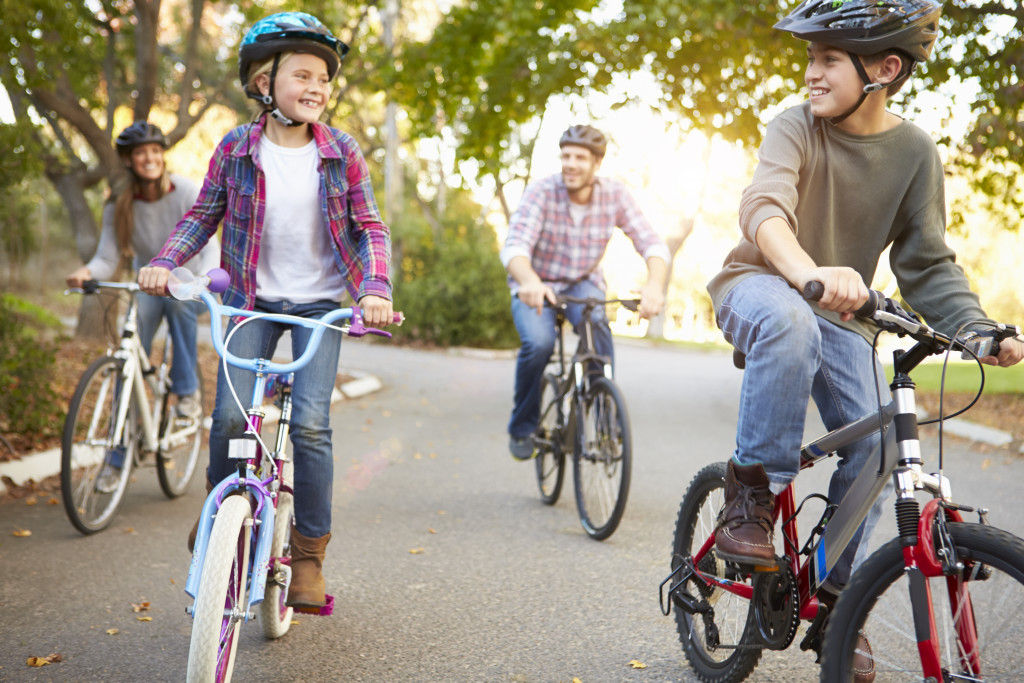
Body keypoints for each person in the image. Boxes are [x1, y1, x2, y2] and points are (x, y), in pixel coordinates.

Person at [706, 0, 1024, 679]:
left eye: (828, 61)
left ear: (883, 69)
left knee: (880, 446)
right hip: (761, 287)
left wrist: (974, 327)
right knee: (790, 320)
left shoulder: (913, 152)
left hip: (841, 312)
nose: (812, 75)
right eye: (811, 59)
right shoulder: (794, 126)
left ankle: (831, 602)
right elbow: (764, 208)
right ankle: (751, 500)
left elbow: (927, 261)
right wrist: (808, 271)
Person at [138, 11, 394, 610]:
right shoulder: (235, 146)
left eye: (324, 80)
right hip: (248, 301)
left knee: (309, 424)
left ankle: (306, 556)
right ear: (263, 83)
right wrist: (165, 263)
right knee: (230, 419)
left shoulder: (341, 150)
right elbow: (202, 215)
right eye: (303, 75)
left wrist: (375, 291)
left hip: (318, 305)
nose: (317, 89)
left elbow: (369, 227)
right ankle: (219, 517)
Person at [501, 124, 670, 460]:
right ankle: (522, 426)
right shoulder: (542, 191)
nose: (571, 163)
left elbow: (652, 243)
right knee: (539, 344)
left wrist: (654, 285)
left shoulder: (614, 194)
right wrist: (530, 281)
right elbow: (514, 246)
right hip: (538, 284)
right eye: (566, 156)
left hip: (583, 281)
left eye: (580, 157)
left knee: (598, 332)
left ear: (597, 164)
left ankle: (605, 422)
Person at [66, 120, 220, 423]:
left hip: (185, 282)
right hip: (147, 285)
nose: (150, 158)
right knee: (135, 334)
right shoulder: (119, 203)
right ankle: (124, 418)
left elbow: (209, 245)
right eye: (141, 153)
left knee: (177, 307)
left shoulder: (185, 190)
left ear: (162, 155)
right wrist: (86, 271)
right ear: (128, 160)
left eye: (155, 150)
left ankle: (187, 394)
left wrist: (205, 278)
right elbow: (107, 257)